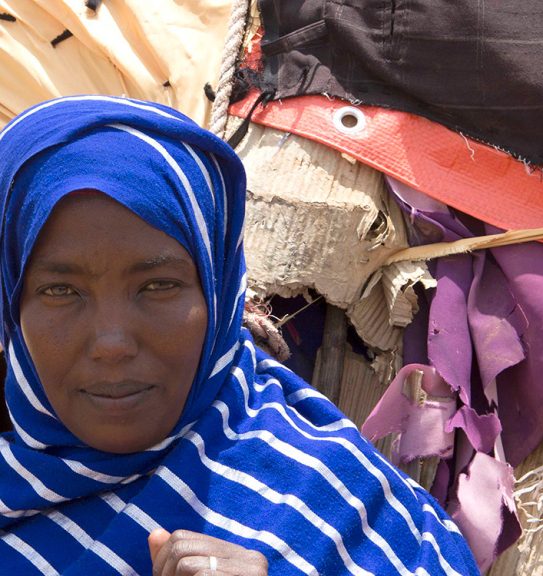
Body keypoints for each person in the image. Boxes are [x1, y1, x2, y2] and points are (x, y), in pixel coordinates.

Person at [0, 96, 481, 575]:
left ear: (220, 291)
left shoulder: (336, 507)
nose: (112, 343)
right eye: (60, 290)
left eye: (158, 286)